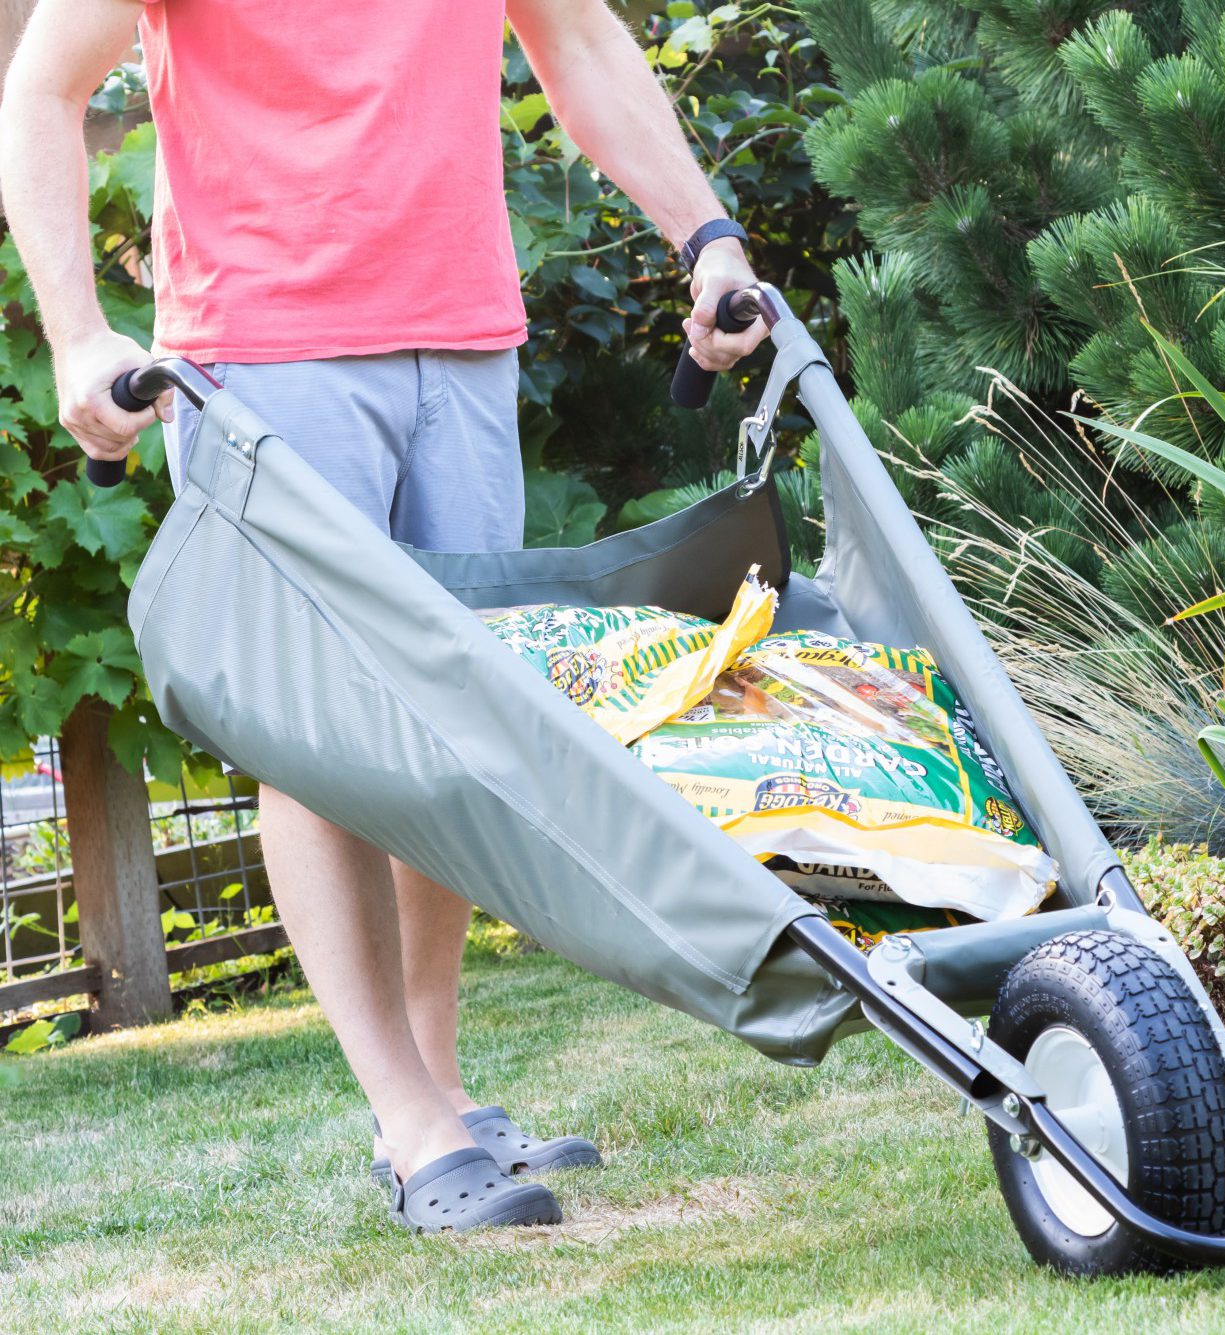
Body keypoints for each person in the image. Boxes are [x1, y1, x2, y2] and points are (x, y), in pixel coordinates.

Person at [0, 0, 767, 1233]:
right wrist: (79, 338)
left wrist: (709, 238)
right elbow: (39, 86)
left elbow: (573, 40)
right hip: (266, 358)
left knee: (449, 720)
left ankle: (446, 1096)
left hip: (463, 343)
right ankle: (408, 1127)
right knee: (321, 730)